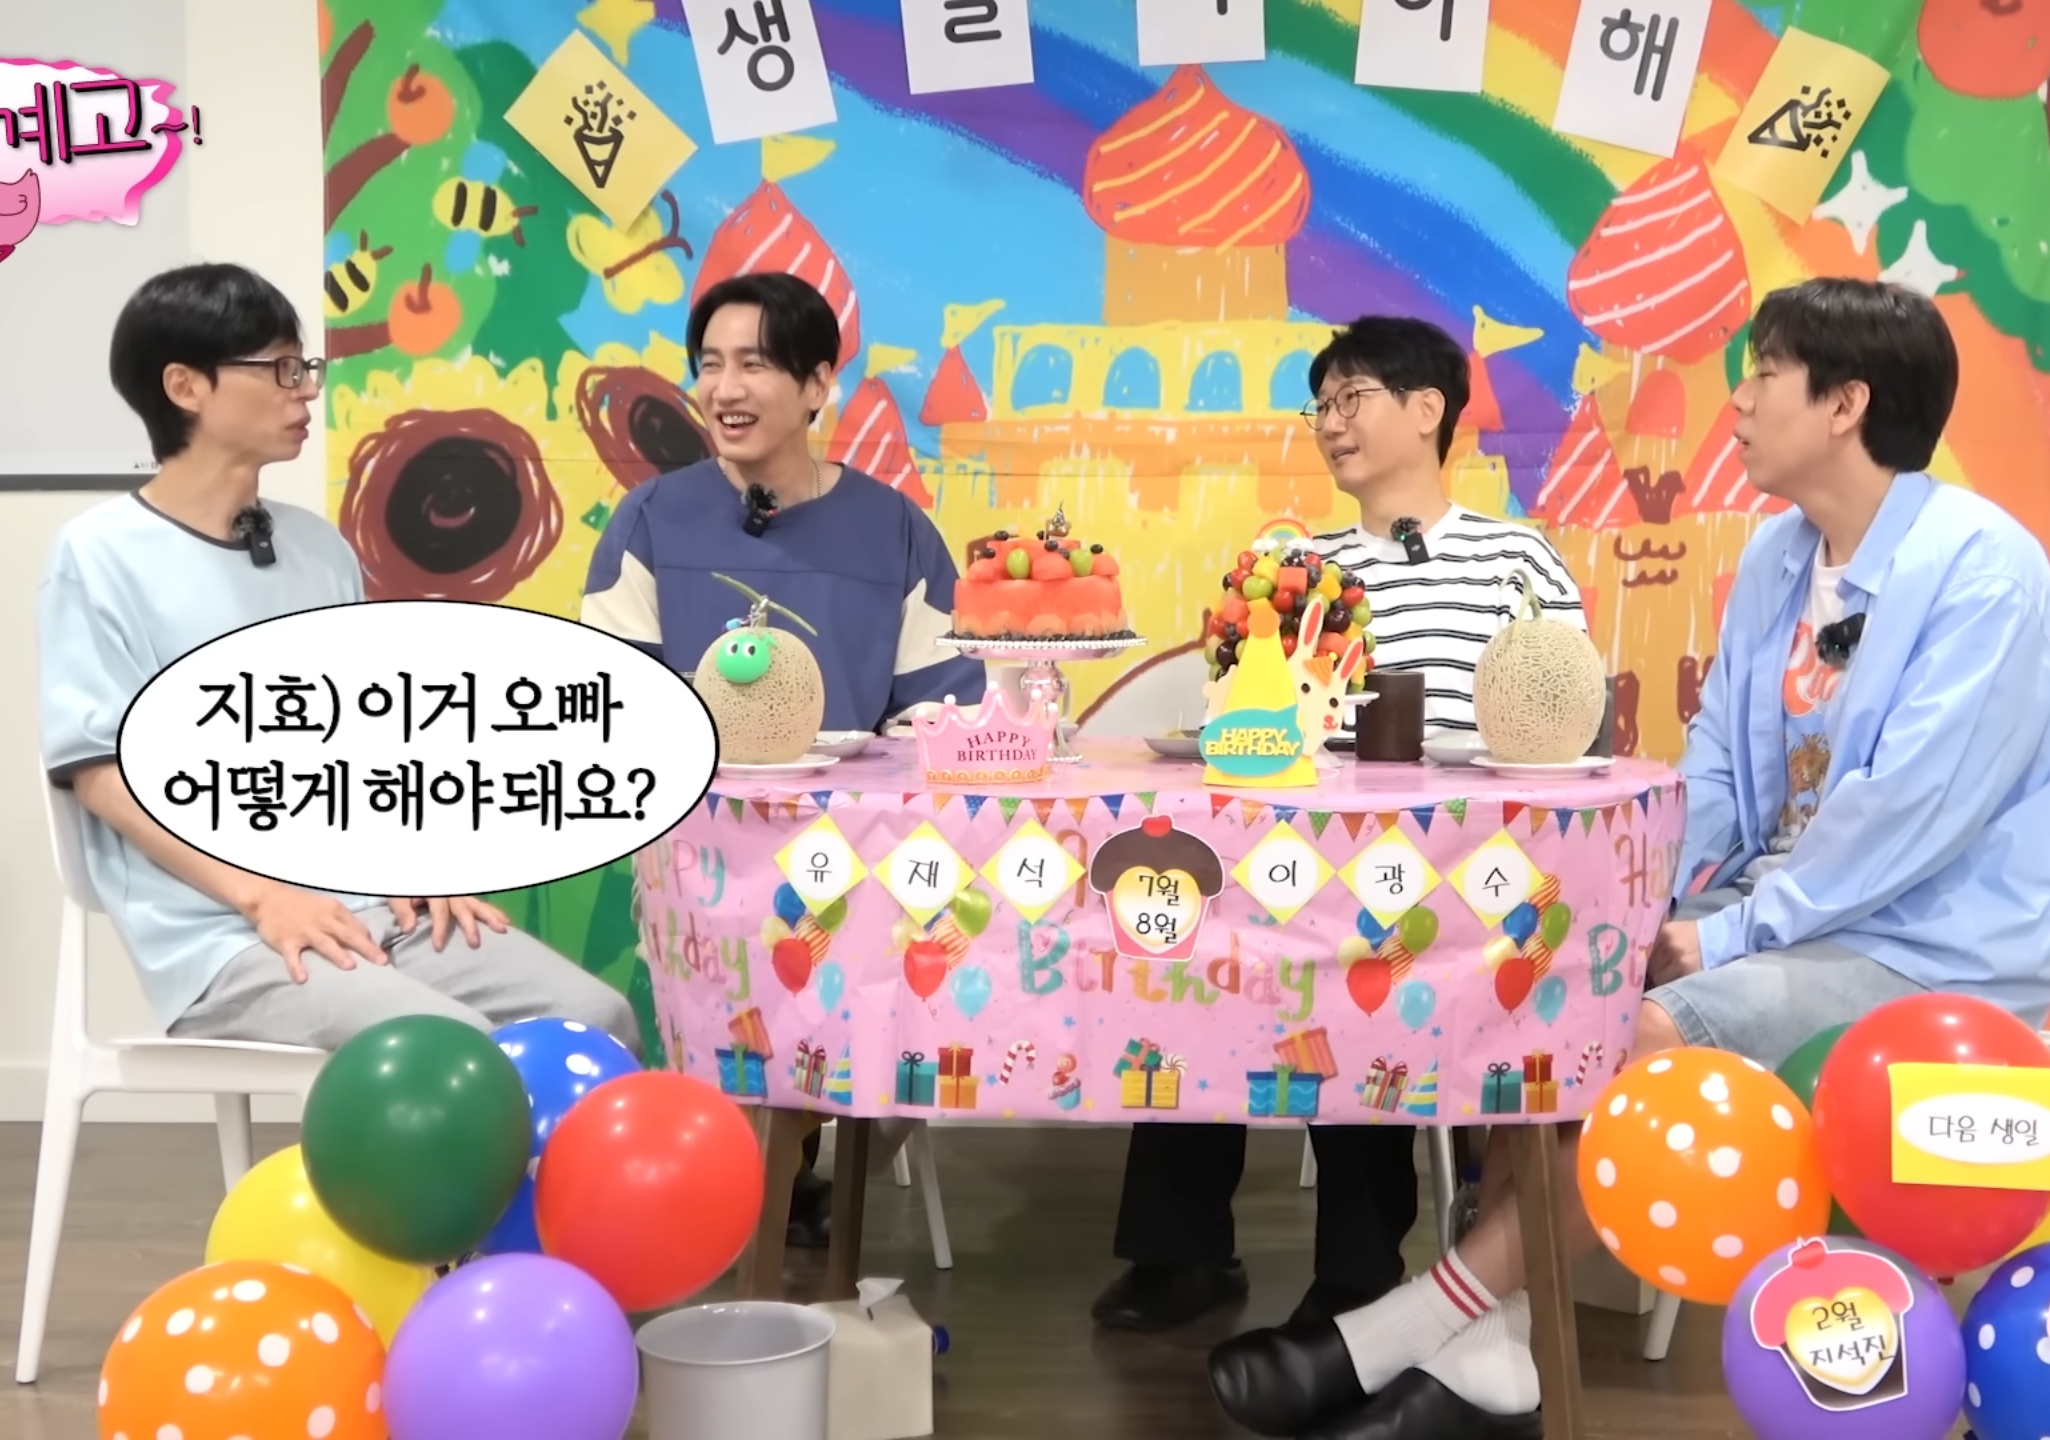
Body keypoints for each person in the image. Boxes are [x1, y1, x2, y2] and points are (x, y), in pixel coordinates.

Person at [1205, 278, 2050, 1440]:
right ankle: (1494, 1360)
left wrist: (1726, 931)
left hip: (1923, 944)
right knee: (1547, 990)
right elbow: (1716, 764)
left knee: (1634, 1033)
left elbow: (1909, 814)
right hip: (1779, 917)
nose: (1735, 403)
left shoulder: (1984, 570)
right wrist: (1640, 906)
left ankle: (1398, 1331)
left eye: (1762, 376)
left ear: (1845, 403)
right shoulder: (1779, 556)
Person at [1095, 316, 1589, 1335]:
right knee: (1199, 946)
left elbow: (1565, 719)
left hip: (1463, 874)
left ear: (1427, 409)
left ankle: (1357, 1276)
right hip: (1301, 858)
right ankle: (1179, 1252)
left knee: (1366, 971)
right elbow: (1246, 715)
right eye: (1319, 405)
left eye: (1350, 398)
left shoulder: (1517, 560)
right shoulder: (1294, 568)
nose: (1329, 423)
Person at [37, 264, 639, 1061]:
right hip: (223, 936)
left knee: (596, 1015)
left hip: (370, 906)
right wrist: (265, 897)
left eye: (306, 367)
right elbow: (101, 774)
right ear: (185, 386)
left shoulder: (318, 548)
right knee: (449, 1048)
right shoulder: (98, 554)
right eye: (281, 369)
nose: (307, 391)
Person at [581, 271, 985, 1247]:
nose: (725, 388)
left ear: (815, 385)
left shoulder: (894, 529)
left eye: (755, 365)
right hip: (704, 855)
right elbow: (613, 702)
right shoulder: (649, 521)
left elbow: (944, 709)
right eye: (710, 365)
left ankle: (807, 1175)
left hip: (863, 857)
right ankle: (744, 1181)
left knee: (931, 970)